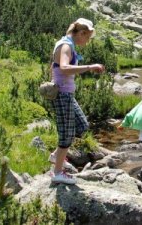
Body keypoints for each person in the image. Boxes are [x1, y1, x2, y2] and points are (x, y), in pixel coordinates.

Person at [49, 18, 105, 185]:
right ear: (81, 33)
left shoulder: (68, 44)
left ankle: (55, 156)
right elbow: (65, 68)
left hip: (67, 95)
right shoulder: (66, 46)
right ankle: (57, 173)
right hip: (62, 95)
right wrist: (89, 67)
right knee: (66, 134)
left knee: (81, 125)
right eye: (87, 37)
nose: (87, 42)